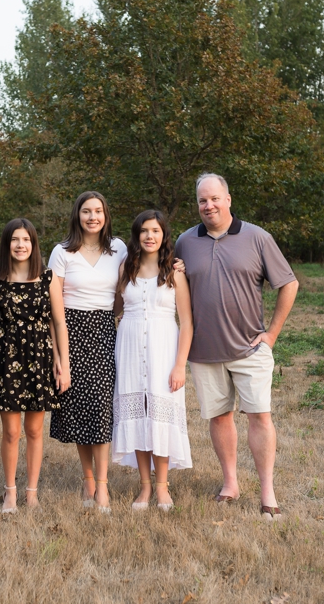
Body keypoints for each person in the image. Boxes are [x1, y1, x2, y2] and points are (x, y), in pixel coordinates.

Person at [175, 173, 298, 519]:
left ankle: (267, 490)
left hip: (249, 348)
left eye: (215, 198)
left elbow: (288, 284)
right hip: (204, 352)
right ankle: (230, 482)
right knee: (219, 417)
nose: (208, 205)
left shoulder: (257, 237)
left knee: (259, 416)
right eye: (202, 200)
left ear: (228, 199)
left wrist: (271, 335)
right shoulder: (185, 242)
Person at [110, 210, 194, 512]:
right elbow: (116, 308)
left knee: (159, 416)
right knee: (138, 415)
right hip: (129, 347)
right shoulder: (126, 268)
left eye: (155, 231)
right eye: (144, 231)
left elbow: (186, 322)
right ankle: (145, 486)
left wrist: (179, 364)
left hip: (164, 348)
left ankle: (162, 487)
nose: (149, 236)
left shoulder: (174, 271)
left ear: (163, 235)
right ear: (137, 235)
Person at [48, 192, 126, 512]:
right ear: (77, 215)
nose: (92, 216)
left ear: (106, 215)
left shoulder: (119, 248)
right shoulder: (62, 252)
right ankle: (88, 479)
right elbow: (56, 310)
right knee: (79, 408)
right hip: (72, 333)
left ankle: (103, 487)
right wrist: (61, 360)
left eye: (98, 211)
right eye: (86, 211)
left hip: (105, 331)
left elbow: (125, 291)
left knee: (102, 408)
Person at [0, 218, 62, 513]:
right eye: (15, 240)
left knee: (34, 430)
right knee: (10, 432)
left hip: (40, 358)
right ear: (7, 245)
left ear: (34, 244)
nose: (21, 245)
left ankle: (32, 493)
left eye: (26, 240)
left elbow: (57, 322)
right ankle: (10, 493)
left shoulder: (47, 277)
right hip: (8, 358)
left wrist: (61, 361)